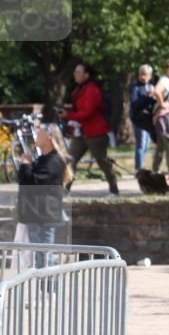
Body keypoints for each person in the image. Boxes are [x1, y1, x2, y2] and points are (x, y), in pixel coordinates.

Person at [17, 124, 73, 267]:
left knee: (44, 258)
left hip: (42, 217)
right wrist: (27, 165)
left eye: (39, 132)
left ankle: (53, 289)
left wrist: (25, 165)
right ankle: (48, 289)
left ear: (49, 137)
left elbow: (32, 183)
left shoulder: (53, 161)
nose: (36, 134)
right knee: (40, 258)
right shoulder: (45, 159)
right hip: (36, 215)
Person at [61, 62, 119, 195]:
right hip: (80, 132)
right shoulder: (77, 91)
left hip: (95, 132)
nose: (75, 74)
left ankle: (114, 190)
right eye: (75, 71)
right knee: (70, 161)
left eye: (78, 72)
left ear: (86, 75)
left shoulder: (92, 89)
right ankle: (64, 191)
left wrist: (68, 115)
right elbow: (79, 110)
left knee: (102, 162)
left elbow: (87, 112)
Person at [129, 64, 154, 171]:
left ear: (150, 76)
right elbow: (135, 103)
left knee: (147, 144)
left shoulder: (151, 87)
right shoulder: (136, 88)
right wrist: (146, 97)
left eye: (146, 75)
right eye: (141, 74)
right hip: (139, 119)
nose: (143, 77)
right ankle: (139, 168)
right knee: (141, 144)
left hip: (148, 119)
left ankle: (141, 164)